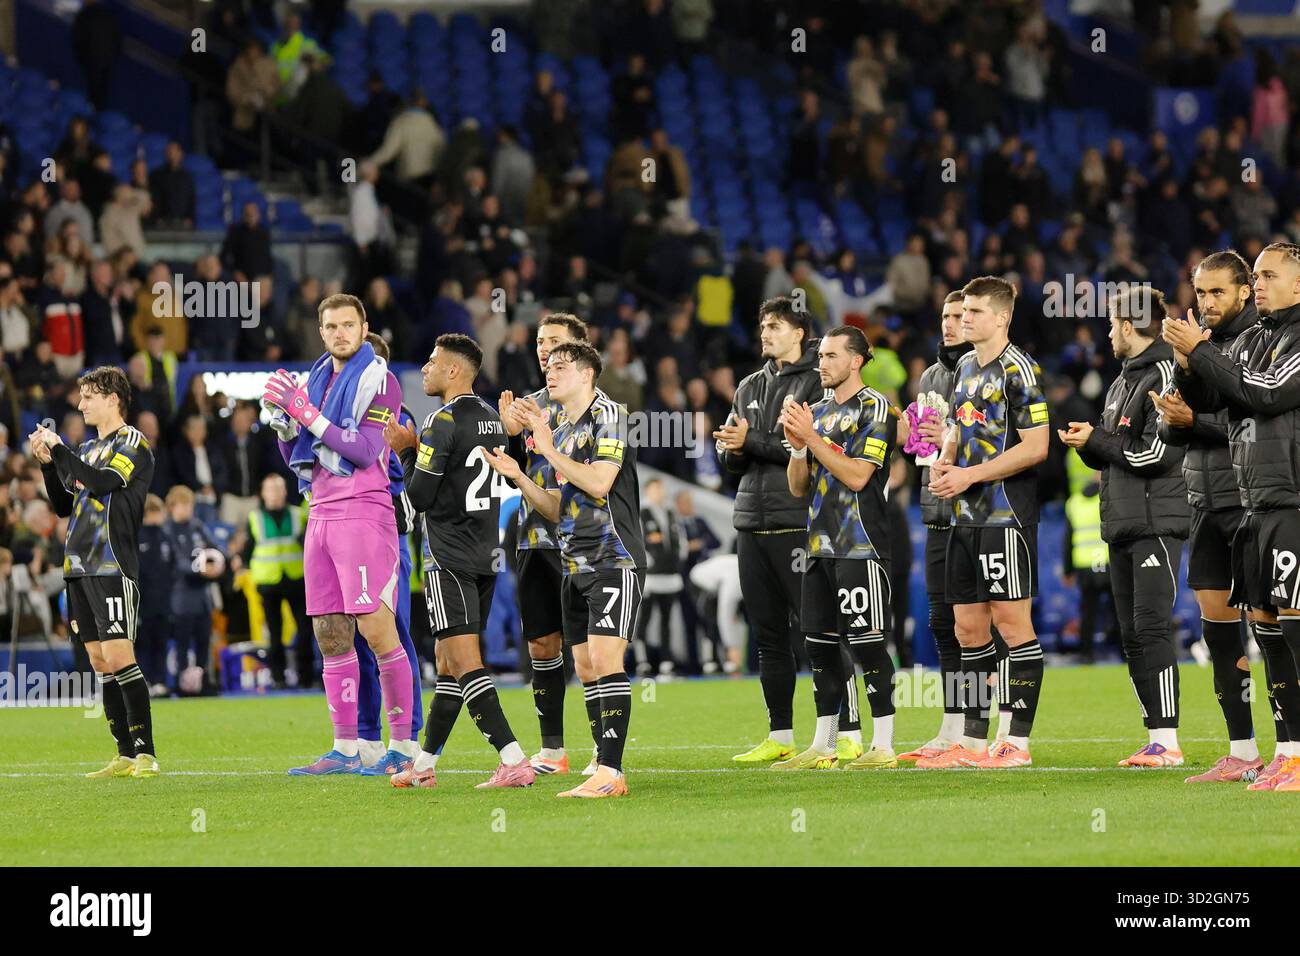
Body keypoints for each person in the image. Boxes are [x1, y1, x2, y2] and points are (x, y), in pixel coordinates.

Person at [1163, 241, 1300, 792]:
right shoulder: (1256, 338)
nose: (1260, 284)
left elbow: (1264, 394)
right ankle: (1285, 753)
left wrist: (1201, 352)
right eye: (1258, 275)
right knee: (1267, 628)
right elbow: (1219, 399)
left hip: (1292, 500)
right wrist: (1189, 363)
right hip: (1255, 502)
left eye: (1268, 276)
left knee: (1293, 627)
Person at [262, 293, 414, 775]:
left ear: (364, 327)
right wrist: (285, 427)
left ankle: (404, 746)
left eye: (349, 324)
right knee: (329, 632)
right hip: (321, 512)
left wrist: (305, 414)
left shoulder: (382, 381)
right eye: (330, 326)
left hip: (365, 513)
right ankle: (346, 748)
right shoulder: (319, 379)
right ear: (321, 330)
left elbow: (367, 451)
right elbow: (299, 461)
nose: (340, 333)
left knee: (375, 628)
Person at [486, 342, 646, 798]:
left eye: (561, 367)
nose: (550, 374)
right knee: (585, 662)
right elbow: (557, 508)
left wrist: (549, 449)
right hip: (574, 562)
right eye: (549, 367)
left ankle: (611, 773)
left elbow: (598, 482)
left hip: (613, 557)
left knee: (606, 659)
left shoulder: (608, 414)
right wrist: (521, 476)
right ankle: (601, 762)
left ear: (588, 374)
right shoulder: (561, 425)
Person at [716, 297, 863, 766]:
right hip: (750, 520)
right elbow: (731, 462)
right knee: (768, 634)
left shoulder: (818, 381)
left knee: (819, 632)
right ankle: (780, 734)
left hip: (798, 520)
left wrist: (752, 442)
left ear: (800, 332)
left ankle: (849, 731)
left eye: (775, 325)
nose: (765, 332)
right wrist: (735, 449)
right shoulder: (748, 386)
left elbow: (811, 447)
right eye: (762, 325)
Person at [386, 335, 536, 789]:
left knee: (465, 662)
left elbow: (418, 499)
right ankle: (424, 766)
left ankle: (513, 758)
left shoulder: (440, 422)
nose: (426, 369)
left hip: (448, 556)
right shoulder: (493, 420)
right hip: (487, 554)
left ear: (454, 371)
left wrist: (407, 451)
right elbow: (513, 475)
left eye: (432, 363)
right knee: (449, 663)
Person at [922, 275, 1050, 769]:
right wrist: (945, 458)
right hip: (965, 515)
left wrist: (969, 474)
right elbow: (959, 427)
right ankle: (972, 743)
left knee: (1014, 626)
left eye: (974, 312)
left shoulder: (1021, 369)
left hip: (1005, 515)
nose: (963, 319)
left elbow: (1037, 446)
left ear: (1002, 317)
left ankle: (1015, 742)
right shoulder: (965, 369)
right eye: (961, 311)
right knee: (967, 628)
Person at [1061, 285, 1191, 767]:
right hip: (1122, 520)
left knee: (1153, 626)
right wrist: (1088, 442)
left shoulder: (1164, 373)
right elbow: (1118, 450)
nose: (1108, 332)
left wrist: (1101, 440)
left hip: (1157, 520)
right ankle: (1156, 735)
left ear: (1130, 325)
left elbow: (1157, 454)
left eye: (1113, 323)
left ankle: (1169, 742)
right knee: (1131, 631)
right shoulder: (1121, 382)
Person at [1156, 250, 1264, 782]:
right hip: (1205, 500)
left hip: (1253, 500)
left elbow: (1257, 424)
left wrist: (1193, 418)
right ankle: (1243, 750)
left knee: (1274, 626)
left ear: (1245, 291)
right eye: (1201, 292)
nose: (1208, 301)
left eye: (1218, 291)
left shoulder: (1261, 341)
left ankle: (1289, 748)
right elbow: (1176, 431)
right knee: (1218, 630)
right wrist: (1181, 393)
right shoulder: (1200, 346)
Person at [774, 326, 899, 769]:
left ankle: (883, 745)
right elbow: (798, 489)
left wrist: (811, 440)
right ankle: (824, 743)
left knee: (867, 643)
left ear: (856, 360)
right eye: (820, 355)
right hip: (818, 546)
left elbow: (858, 476)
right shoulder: (819, 411)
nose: (821, 363)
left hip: (860, 545)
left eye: (830, 355)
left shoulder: (877, 408)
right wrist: (795, 450)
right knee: (819, 646)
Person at [32, 367, 157, 777]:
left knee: (120, 654)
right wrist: (50, 465)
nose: (81, 404)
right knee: (100, 660)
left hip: (111, 563)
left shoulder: (132, 442)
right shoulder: (85, 449)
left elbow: (103, 483)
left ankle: (146, 754)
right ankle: (123, 754)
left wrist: (61, 448)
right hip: (78, 565)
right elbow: (65, 505)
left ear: (112, 398)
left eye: (88, 397)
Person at [494, 314, 603, 776]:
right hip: (534, 538)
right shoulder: (527, 406)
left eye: (555, 342)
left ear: (580, 350)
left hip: (582, 541)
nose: (544, 350)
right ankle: (553, 750)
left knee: (593, 649)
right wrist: (510, 433)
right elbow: (511, 467)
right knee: (542, 643)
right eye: (540, 342)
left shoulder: (596, 410)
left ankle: (604, 747)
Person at [897, 291, 973, 760]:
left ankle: (1000, 724)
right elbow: (924, 452)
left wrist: (945, 438)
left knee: (982, 624)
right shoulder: (930, 375)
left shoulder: (988, 371)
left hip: (978, 510)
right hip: (937, 511)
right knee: (941, 620)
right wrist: (916, 440)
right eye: (945, 316)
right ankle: (952, 725)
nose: (949, 325)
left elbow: (993, 441)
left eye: (959, 317)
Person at [353, 332, 423, 774]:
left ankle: (409, 738)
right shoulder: (345, 415)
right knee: (358, 640)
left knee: (393, 638)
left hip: (389, 538)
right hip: (351, 539)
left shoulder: (401, 416)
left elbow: (414, 487)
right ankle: (365, 740)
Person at [243, 474, 313, 689]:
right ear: (263, 493)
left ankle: (306, 677)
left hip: (296, 577)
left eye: (278, 488)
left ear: (285, 491)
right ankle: (278, 677)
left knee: (304, 631)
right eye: (270, 489)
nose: (274, 493)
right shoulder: (254, 518)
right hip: (268, 582)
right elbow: (248, 550)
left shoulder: (297, 514)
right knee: (274, 633)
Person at [163, 485, 223, 695]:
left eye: (189, 504)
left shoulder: (197, 526)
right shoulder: (167, 530)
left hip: (202, 597)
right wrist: (200, 569)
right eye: (182, 505)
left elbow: (215, 548)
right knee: (182, 644)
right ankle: (182, 684)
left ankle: (204, 682)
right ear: (172, 507)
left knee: (203, 642)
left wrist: (219, 563)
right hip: (181, 597)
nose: (186, 509)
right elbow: (175, 563)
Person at [635, 477, 687, 675]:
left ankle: (666, 660)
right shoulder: (642, 512)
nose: (660, 492)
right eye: (656, 489)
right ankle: (643, 661)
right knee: (645, 618)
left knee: (667, 619)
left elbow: (680, 538)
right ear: (648, 491)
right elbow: (637, 540)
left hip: (670, 574)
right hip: (651, 576)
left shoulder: (670, 512)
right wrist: (647, 563)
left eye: (661, 489)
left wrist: (678, 558)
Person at [136, 494, 173, 697]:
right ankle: (145, 681)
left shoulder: (165, 537)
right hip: (144, 603)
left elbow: (172, 568)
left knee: (161, 644)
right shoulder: (138, 537)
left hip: (162, 603)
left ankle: (160, 680)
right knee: (144, 645)